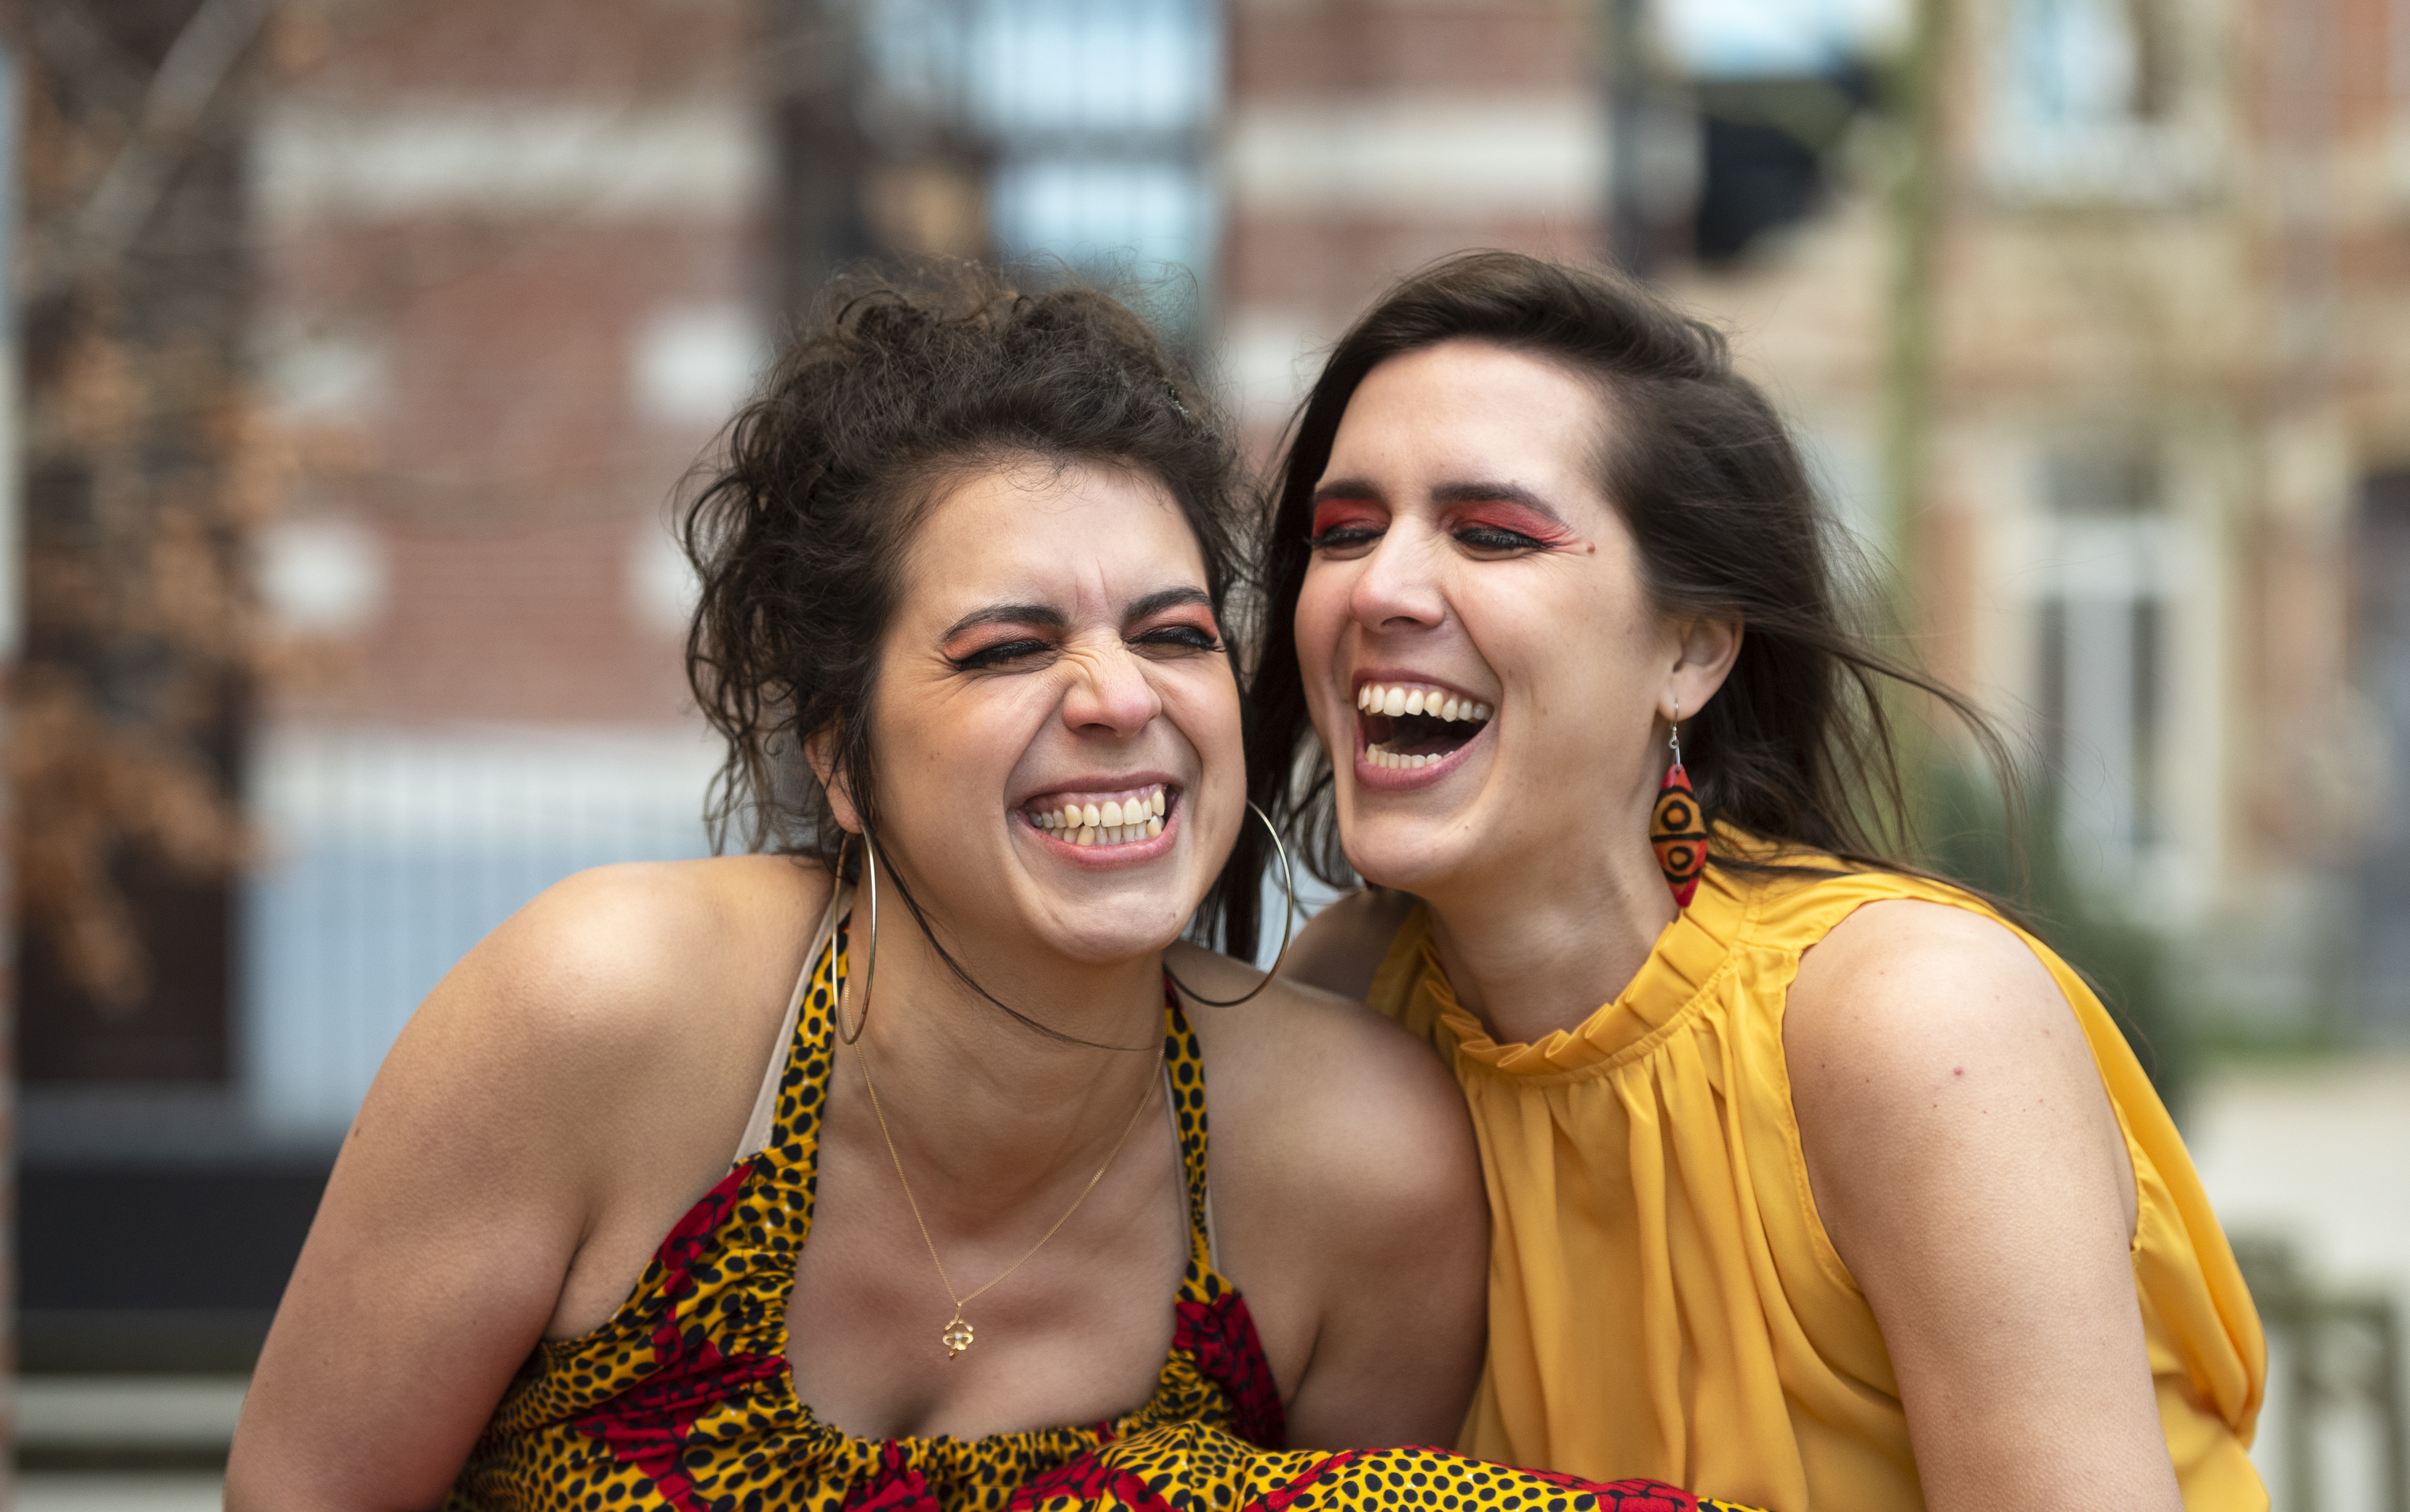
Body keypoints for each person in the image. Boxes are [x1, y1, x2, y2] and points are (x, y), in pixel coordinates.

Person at [226, 273, 1499, 1510]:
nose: (1122, 697)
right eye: (1010, 646)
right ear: (841, 754)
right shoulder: (596, 1014)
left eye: (1175, 634)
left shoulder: (1364, 1171)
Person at [1243, 251, 2268, 1512]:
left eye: (1491, 532)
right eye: (1344, 530)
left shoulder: (1913, 1027)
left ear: (1693, 648)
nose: (1379, 589)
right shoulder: (1340, 1003)